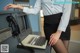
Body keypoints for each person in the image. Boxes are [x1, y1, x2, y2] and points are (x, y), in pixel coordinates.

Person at [4, 0, 72, 53]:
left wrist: (58, 32)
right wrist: (18, 7)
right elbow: (35, 10)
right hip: (49, 27)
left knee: (64, 50)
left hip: (64, 26)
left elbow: (67, 13)